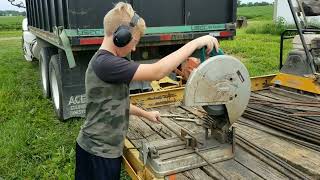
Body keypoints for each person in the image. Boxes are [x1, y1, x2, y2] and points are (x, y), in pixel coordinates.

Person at [75, 2, 220, 180]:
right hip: (98, 153)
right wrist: (196, 42)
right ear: (121, 36)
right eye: (134, 42)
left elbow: (116, 102)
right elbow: (157, 72)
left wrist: (146, 114)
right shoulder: (106, 63)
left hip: (102, 150)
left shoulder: (106, 61)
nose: (134, 48)